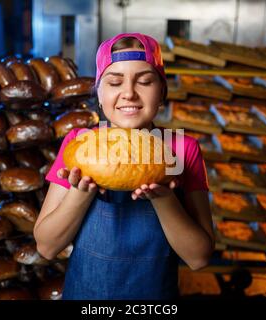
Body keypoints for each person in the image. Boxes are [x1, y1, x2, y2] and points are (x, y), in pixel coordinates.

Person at [34, 33, 215, 300]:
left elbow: (199, 258)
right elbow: (47, 247)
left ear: (162, 91)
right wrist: (81, 193)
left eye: (144, 81)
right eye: (115, 82)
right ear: (99, 92)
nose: (129, 93)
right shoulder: (81, 145)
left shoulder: (180, 149)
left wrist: (164, 199)